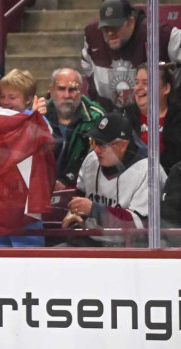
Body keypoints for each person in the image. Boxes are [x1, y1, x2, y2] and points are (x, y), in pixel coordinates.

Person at [63, 111, 166, 246]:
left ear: (123, 145)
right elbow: (79, 197)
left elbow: (139, 227)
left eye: (102, 144)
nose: (96, 150)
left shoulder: (148, 170)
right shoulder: (91, 160)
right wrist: (74, 214)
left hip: (131, 250)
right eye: (93, 142)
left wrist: (95, 210)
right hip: (90, 241)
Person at [0, 68, 46, 247]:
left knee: (27, 263)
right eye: (3, 96)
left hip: (23, 205)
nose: (6, 102)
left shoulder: (38, 122)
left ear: (28, 99)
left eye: (12, 97)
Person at [81, 0, 181, 111]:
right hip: (110, 114)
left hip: (156, 115)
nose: (110, 33)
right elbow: (88, 69)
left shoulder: (161, 35)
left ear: (131, 22)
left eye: (115, 26)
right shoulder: (92, 35)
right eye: (105, 28)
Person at [45, 68, 106, 190]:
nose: (67, 95)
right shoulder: (39, 115)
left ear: (81, 91)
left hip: (82, 189)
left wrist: (68, 181)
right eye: (61, 89)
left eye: (72, 89)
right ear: (51, 91)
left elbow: (99, 159)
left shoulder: (96, 117)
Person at [123, 63, 181, 173]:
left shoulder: (178, 119)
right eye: (136, 83)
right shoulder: (125, 116)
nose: (138, 88)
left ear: (166, 88)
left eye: (146, 83)